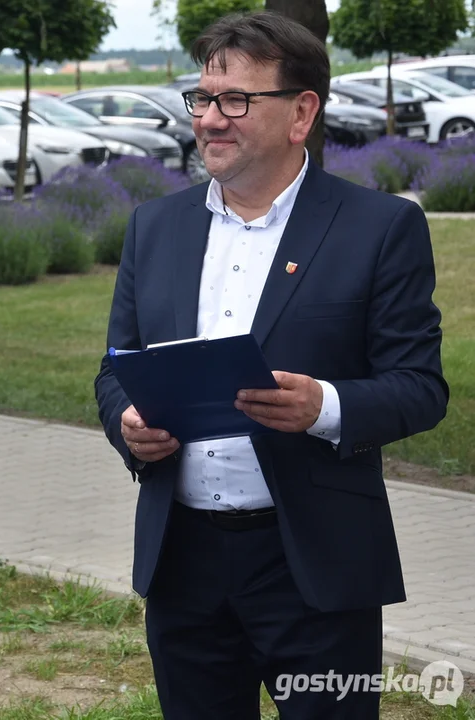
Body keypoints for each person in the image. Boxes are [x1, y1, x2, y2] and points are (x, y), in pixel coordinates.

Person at [94, 11, 448, 719]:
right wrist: (126, 423)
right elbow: (114, 368)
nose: (209, 120)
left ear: (300, 112)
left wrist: (325, 406)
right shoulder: (154, 228)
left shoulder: (379, 228)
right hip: (182, 561)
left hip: (312, 563)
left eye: (234, 100)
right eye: (202, 98)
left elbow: (419, 388)